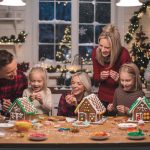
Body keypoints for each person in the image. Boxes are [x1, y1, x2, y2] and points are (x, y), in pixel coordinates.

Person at [92, 24, 131, 115]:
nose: (102, 50)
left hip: (120, 98)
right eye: (101, 45)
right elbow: (95, 78)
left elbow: (131, 81)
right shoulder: (95, 52)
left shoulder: (123, 54)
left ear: (115, 47)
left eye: (107, 47)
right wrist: (100, 77)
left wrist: (119, 80)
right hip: (102, 97)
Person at [0, 50, 28, 115]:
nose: (15, 74)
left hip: (15, 118)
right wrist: (1, 107)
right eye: (9, 72)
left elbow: (26, 107)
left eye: (16, 68)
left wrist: (13, 107)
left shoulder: (21, 78)